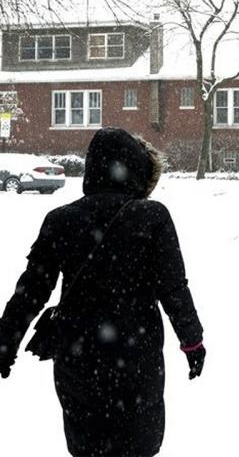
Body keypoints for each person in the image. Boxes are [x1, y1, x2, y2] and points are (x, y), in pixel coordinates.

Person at [0, 127, 205, 457]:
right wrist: (192, 340)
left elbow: (31, 291)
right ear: (136, 169)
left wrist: (6, 341)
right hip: (136, 361)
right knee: (139, 445)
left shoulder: (60, 220)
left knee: (87, 446)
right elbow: (174, 288)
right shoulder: (152, 217)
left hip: (78, 361)